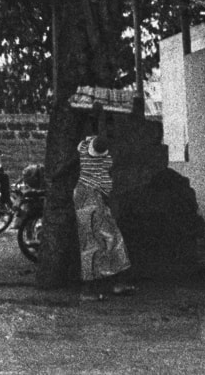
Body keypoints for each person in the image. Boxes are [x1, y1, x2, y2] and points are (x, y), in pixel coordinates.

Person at [56, 124, 132, 299]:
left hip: (91, 195)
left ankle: (115, 283)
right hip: (90, 197)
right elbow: (104, 137)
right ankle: (89, 289)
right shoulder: (98, 144)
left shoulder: (84, 145)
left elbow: (72, 163)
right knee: (95, 241)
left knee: (109, 238)